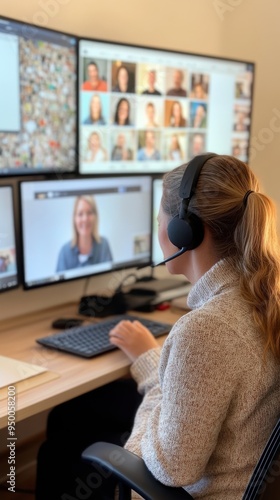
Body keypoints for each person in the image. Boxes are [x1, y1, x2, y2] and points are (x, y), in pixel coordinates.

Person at [36, 154, 280, 499]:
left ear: (185, 230)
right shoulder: (262, 294)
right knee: (68, 415)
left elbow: (171, 467)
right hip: (239, 475)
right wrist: (156, 364)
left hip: (195, 491)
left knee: (60, 452)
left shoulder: (206, 329)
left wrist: (154, 385)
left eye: (159, 219)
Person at [56, 195, 113, 272]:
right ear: (74, 219)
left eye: (89, 213)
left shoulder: (103, 245)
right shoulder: (64, 252)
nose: (85, 219)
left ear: (95, 217)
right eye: (80, 214)